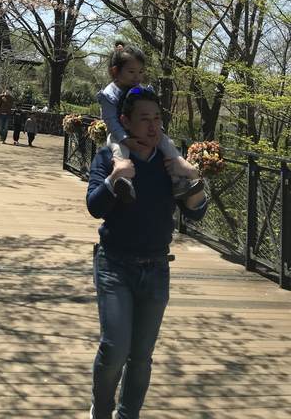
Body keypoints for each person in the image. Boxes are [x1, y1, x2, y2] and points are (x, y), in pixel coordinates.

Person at [87, 87, 208, 419]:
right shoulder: (109, 157)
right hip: (114, 265)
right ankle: (101, 409)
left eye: (157, 119)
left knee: (141, 356)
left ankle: (128, 415)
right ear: (125, 121)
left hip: (156, 267)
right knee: (114, 349)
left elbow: (196, 213)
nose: (153, 127)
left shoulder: (169, 161)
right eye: (145, 119)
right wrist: (114, 178)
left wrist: (195, 185)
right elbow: (95, 207)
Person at [97, 42, 202, 203]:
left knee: (168, 144)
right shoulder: (109, 94)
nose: (137, 77)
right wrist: (126, 139)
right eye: (131, 72)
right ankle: (124, 181)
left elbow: (153, 112)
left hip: (146, 135)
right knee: (119, 150)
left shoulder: (141, 89)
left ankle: (179, 180)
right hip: (119, 135)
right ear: (115, 71)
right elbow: (110, 120)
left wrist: (157, 131)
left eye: (140, 72)